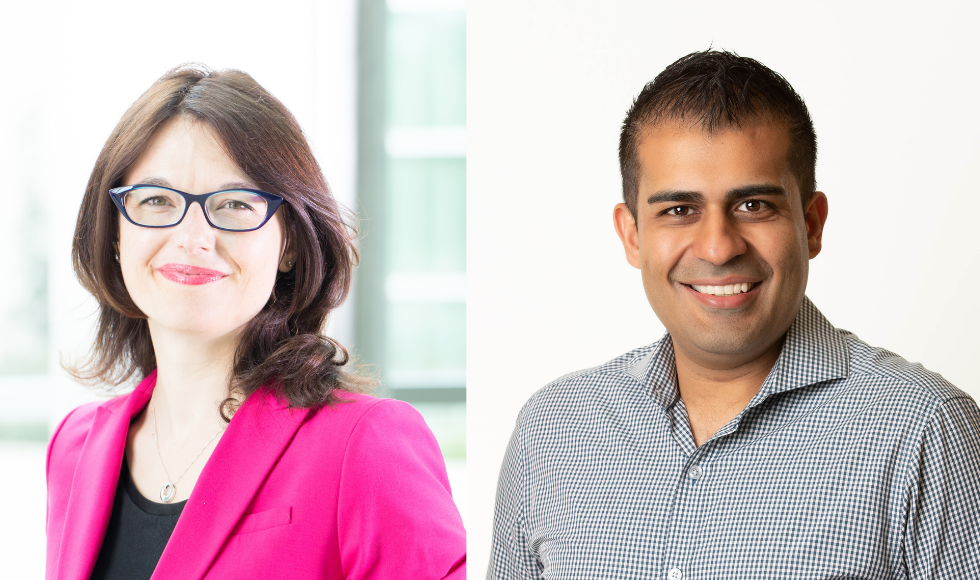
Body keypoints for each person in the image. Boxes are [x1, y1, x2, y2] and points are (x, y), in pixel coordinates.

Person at [488, 50, 980, 579]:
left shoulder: (928, 431)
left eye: (754, 206)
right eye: (679, 210)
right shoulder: (552, 430)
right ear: (632, 235)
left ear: (811, 225)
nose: (719, 248)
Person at [46, 65, 466, 580]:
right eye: (156, 200)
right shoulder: (74, 448)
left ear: (288, 242)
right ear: (115, 231)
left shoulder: (366, 445)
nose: (192, 236)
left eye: (235, 204)